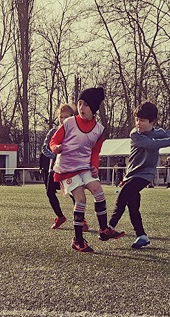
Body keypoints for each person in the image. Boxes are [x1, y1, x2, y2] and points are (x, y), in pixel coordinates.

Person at [49, 87, 124, 252]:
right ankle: (77, 240)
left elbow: (95, 151)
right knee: (81, 199)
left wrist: (95, 166)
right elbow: (54, 141)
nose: (82, 108)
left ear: (94, 109)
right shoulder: (69, 123)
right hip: (66, 169)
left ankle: (104, 229)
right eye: (80, 103)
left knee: (98, 190)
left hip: (84, 166)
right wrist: (55, 148)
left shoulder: (99, 130)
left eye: (86, 105)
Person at [107, 102, 170, 249]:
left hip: (145, 175)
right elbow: (152, 144)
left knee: (123, 195)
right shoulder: (135, 134)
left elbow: (169, 135)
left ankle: (109, 227)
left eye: (142, 120)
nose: (138, 123)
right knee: (132, 205)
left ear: (152, 121)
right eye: (137, 120)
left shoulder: (158, 132)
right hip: (132, 174)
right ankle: (142, 236)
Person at [42, 104, 88, 231]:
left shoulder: (77, 132)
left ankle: (81, 220)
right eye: (61, 117)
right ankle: (60, 217)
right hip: (55, 169)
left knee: (75, 194)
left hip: (70, 169)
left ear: (72, 117)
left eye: (66, 117)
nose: (63, 119)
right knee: (49, 192)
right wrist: (55, 154)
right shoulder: (53, 132)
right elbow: (44, 147)